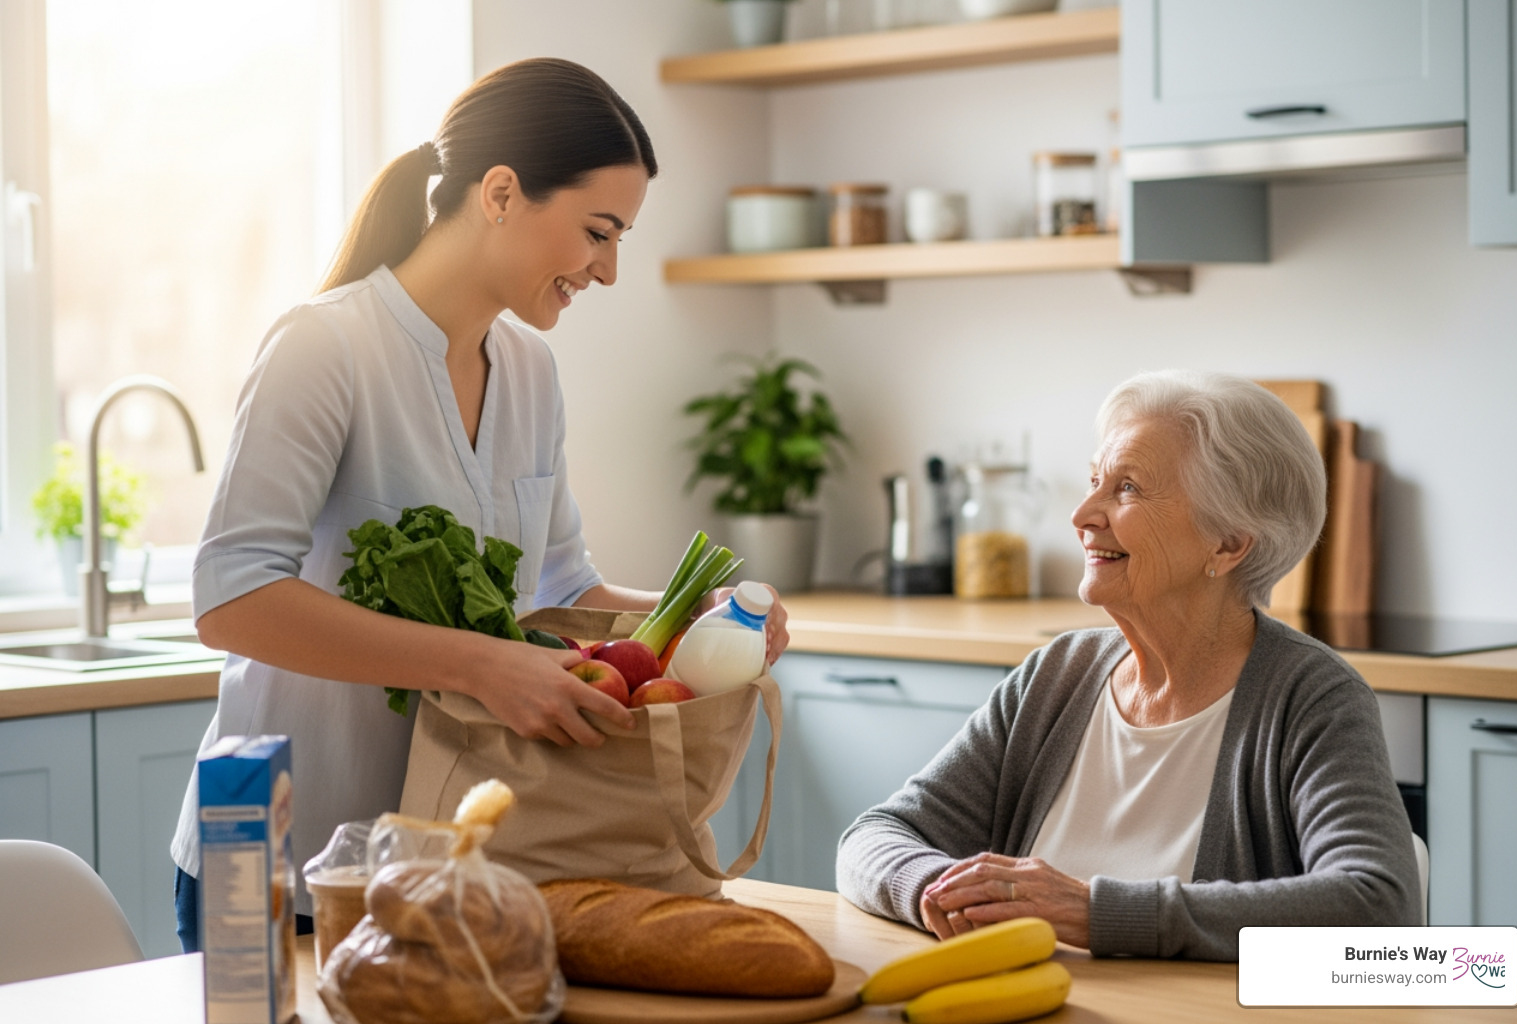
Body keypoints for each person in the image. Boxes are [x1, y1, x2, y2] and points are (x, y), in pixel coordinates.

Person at [169, 58, 788, 952]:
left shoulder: (531, 371)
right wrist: (478, 666)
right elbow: (230, 599)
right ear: (501, 192)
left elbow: (564, 584)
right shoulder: (325, 348)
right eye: (598, 232)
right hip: (287, 864)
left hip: (442, 868)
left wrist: (709, 615)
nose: (608, 271)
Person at [836, 370, 1419, 960]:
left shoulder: (1309, 697)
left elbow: (1377, 907)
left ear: (1227, 543)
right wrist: (939, 893)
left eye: (1128, 489)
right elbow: (874, 838)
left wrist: (1094, 913)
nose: (1083, 514)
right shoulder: (1056, 676)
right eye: (1095, 481)